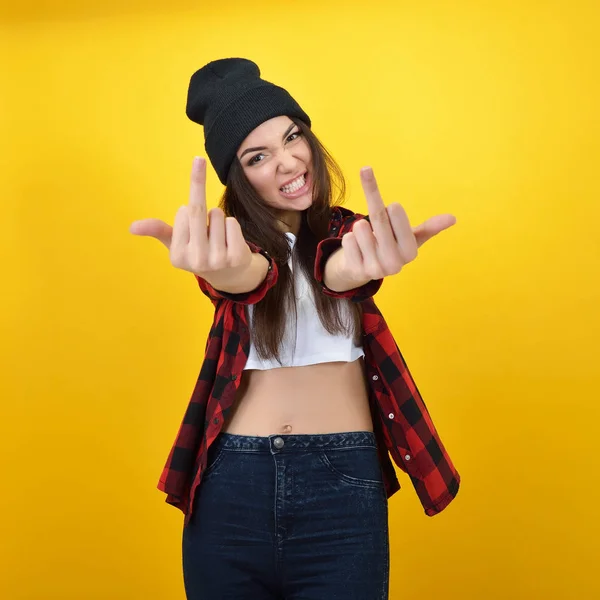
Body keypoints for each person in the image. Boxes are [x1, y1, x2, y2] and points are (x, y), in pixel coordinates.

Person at [130, 57, 460, 600]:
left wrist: (361, 267)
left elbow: (339, 268)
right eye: (258, 157)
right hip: (230, 487)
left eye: (292, 137)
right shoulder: (233, 247)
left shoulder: (347, 235)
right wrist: (222, 271)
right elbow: (249, 275)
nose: (287, 163)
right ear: (238, 177)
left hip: (341, 487)